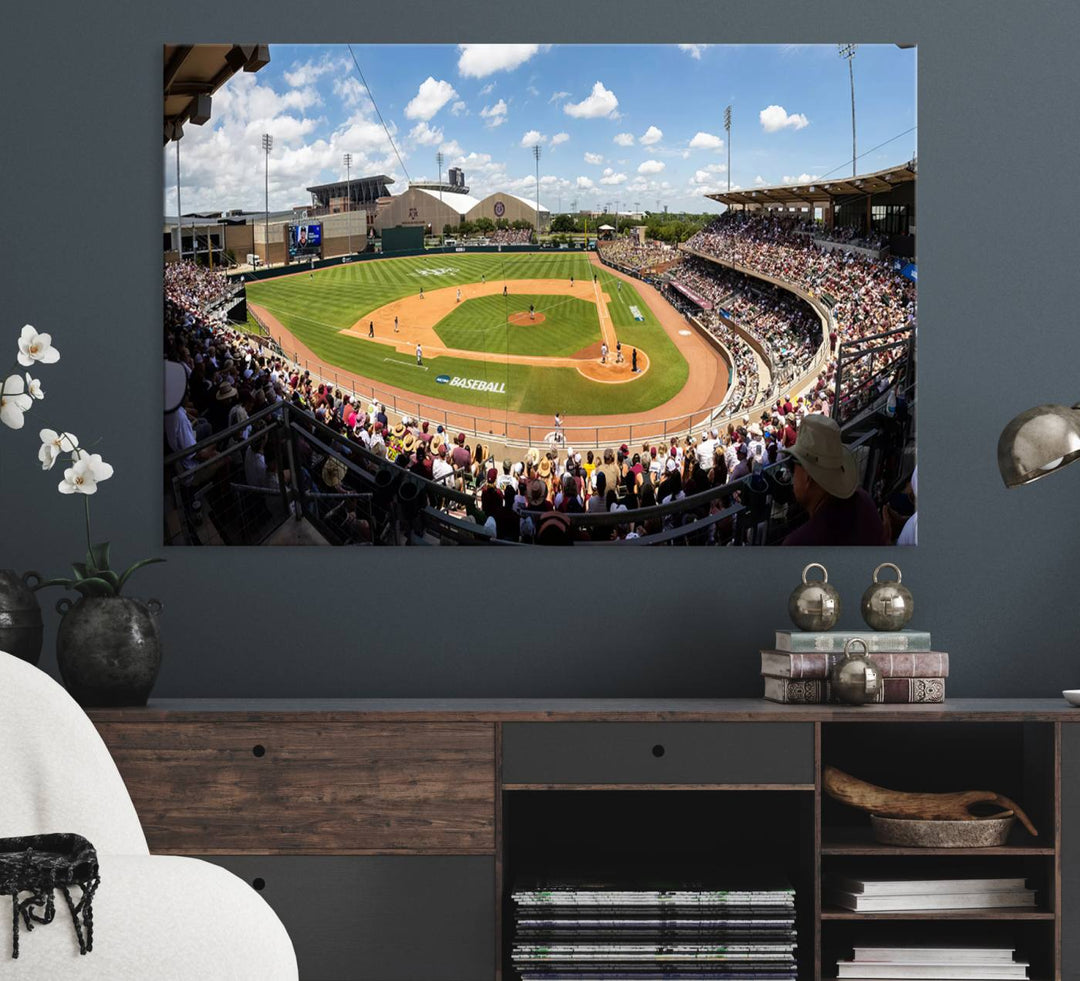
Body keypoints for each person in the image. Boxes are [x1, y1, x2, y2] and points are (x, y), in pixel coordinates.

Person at [780, 414, 887, 547]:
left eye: (793, 467)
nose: (792, 475)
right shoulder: (864, 501)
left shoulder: (798, 544)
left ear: (808, 477)